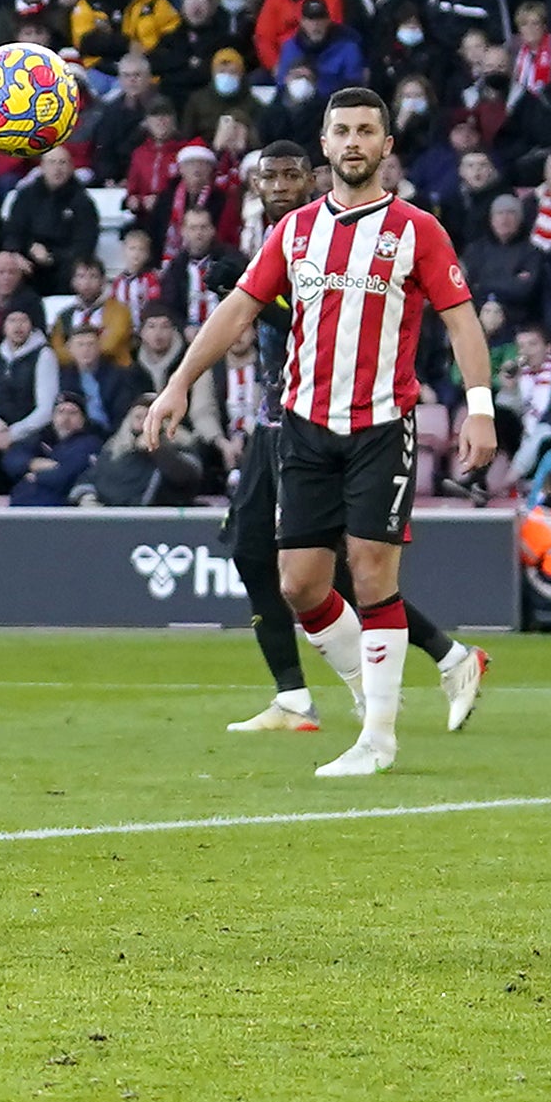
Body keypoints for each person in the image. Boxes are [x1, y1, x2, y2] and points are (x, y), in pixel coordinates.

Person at [136, 90, 497, 777]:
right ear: (325, 146)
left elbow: (460, 321)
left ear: (386, 146)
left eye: (367, 130)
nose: (354, 140)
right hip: (302, 426)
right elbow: (238, 308)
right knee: (300, 584)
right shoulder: (295, 231)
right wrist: (178, 382)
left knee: (369, 572)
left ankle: (378, 738)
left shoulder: (417, 229)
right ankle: (372, 689)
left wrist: (478, 405)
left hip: (380, 425)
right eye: (342, 131)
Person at [204, 140, 485, 736]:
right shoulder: (284, 237)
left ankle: (439, 662)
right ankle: (295, 695)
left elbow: (313, 316)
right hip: (275, 419)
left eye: (290, 175)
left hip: (336, 421)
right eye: (268, 177)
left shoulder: (341, 233)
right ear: (254, 186)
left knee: (341, 569)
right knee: (256, 556)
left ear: (314, 175)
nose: (279, 185)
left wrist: (253, 301)